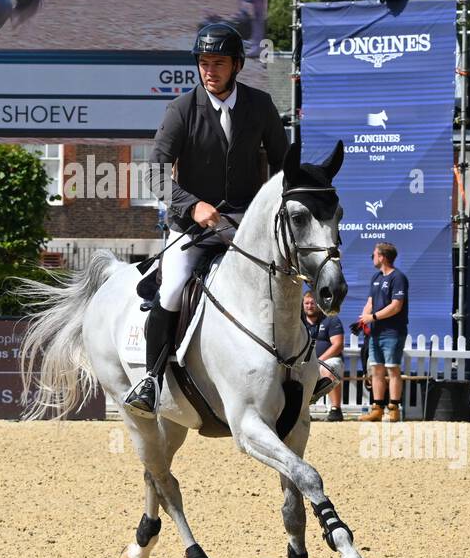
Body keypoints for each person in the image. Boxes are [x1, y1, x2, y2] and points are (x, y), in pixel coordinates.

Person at [123, 21, 289, 418]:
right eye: (203, 62)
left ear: (236, 65)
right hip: (193, 227)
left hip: (244, 228)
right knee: (174, 286)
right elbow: (155, 172)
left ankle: (305, 367)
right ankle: (151, 378)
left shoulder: (260, 106)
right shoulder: (181, 109)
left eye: (217, 63)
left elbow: (284, 166)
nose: (208, 70)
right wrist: (191, 205)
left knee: (286, 277)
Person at [356, 241, 408, 423]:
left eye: (374, 255)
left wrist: (374, 317)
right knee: (376, 370)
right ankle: (377, 408)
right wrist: (364, 316)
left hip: (393, 331)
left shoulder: (398, 278)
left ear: (382, 257)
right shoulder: (376, 278)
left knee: (392, 369)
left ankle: (393, 408)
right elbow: (370, 302)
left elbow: (396, 306)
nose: (373, 258)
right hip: (375, 332)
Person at [302, 288, 345, 421]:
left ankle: (336, 410)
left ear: (319, 304)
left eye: (313, 303)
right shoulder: (298, 321)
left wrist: (318, 361)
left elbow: (337, 345)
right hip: (303, 362)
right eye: (306, 303)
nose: (309, 306)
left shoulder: (331, 319)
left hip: (329, 360)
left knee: (327, 369)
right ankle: (303, 412)